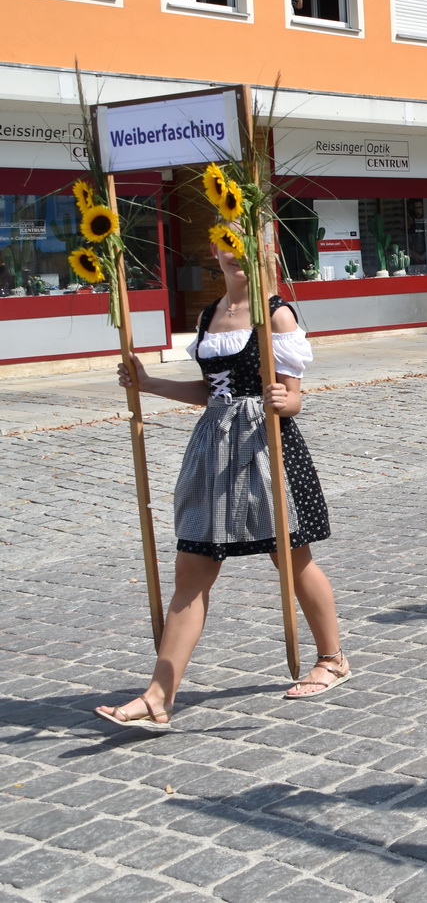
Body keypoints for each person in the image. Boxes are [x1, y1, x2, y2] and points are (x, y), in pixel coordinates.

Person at [97, 233, 346, 727]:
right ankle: (158, 695)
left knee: (291, 559)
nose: (236, 251)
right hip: (212, 452)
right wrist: (148, 384)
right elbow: (210, 393)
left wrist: (283, 402)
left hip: (264, 447)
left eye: (246, 241)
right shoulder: (208, 315)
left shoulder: (277, 314)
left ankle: (332, 659)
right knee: (191, 569)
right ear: (213, 250)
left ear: (266, 251)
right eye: (226, 241)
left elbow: (295, 396)